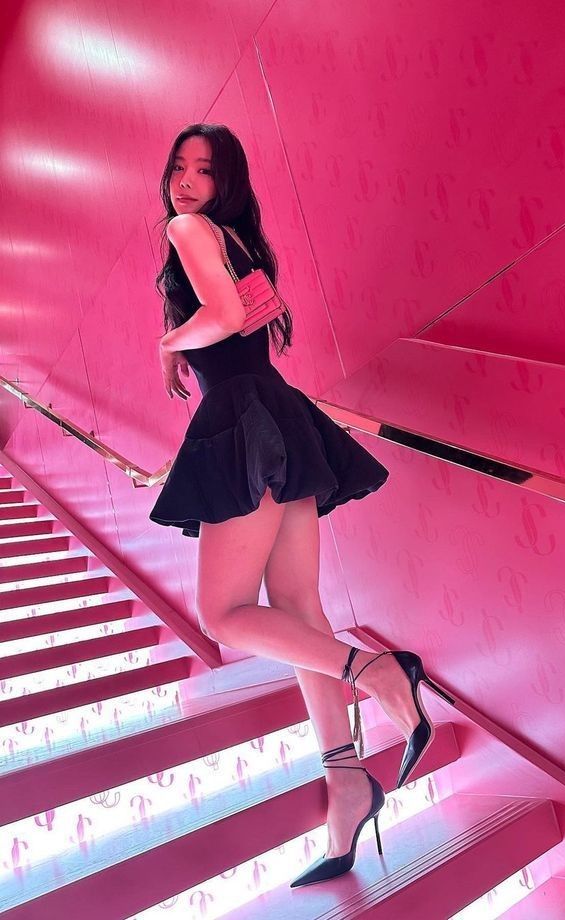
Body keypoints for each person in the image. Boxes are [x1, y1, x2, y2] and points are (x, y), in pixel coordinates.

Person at [148, 123, 455, 887]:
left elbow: (223, 317)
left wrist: (167, 344)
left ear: (225, 182)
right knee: (296, 610)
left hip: (241, 419)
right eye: (180, 167)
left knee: (223, 614)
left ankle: (377, 670)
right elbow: (243, 314)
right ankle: (345, 779)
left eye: (204, 171)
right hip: (275, 412)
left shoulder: (187, 229)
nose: (186, 182)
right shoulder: (236, 239)